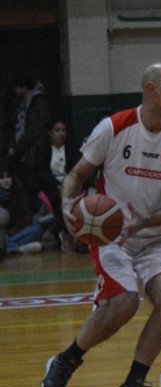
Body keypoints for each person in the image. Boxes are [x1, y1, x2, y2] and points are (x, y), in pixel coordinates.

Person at [40, 63, 161, 387]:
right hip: (111, 238)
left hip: (154, 239)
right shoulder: (114, 127)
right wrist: (67, 203)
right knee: (124, 302)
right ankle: (66, 361)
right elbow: (77, 176)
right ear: (151, 89)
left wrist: (147, 220)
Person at [36, 118, 81, 252]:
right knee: (58, 200)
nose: (61, 133)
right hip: (51, 184)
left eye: (63, 130)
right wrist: (56, 184)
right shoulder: (43, 150)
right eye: (57, 130)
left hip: (70, 183)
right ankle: (66, 233)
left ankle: (79, 233)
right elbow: (41, 172)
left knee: (75, 200)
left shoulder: (72, 148)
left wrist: (68, 184)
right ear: (50, 133)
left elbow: (76, 169)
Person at [8, 74, 52, 210]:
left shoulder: (37, 102)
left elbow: (33, 129)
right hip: (27, 153)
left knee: (34, 187)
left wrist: (18, 148)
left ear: (23, 87)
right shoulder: (27, 102)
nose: (15, 92)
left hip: (33, 153)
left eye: (17, 88)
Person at [0, 157, 44, 258]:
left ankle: (8, 247)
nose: (6, 181)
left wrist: (10, 233)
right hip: (2, 234)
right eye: (2, 178)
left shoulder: (19, 189)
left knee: (37, 229)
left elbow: (27, 217)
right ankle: (17, 249)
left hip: (16, 232)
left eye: (8, 177)